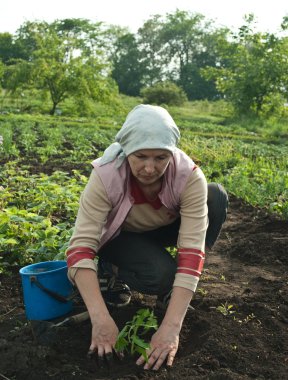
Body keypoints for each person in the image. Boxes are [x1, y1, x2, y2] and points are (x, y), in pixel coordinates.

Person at [66, 104, 228, 370]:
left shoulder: (188, 177)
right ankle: (112, 269)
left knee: (216, 196)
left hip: (160, 228)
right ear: (127, 151)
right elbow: (80, 248)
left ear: (171, 154)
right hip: (119, 236)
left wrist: (171, 328)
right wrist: (101, 318)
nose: (150, 168)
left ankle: (174, 293)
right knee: (162, 274)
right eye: (141, 156)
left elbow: (192, 252)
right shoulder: (106, 176)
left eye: (160, 158)